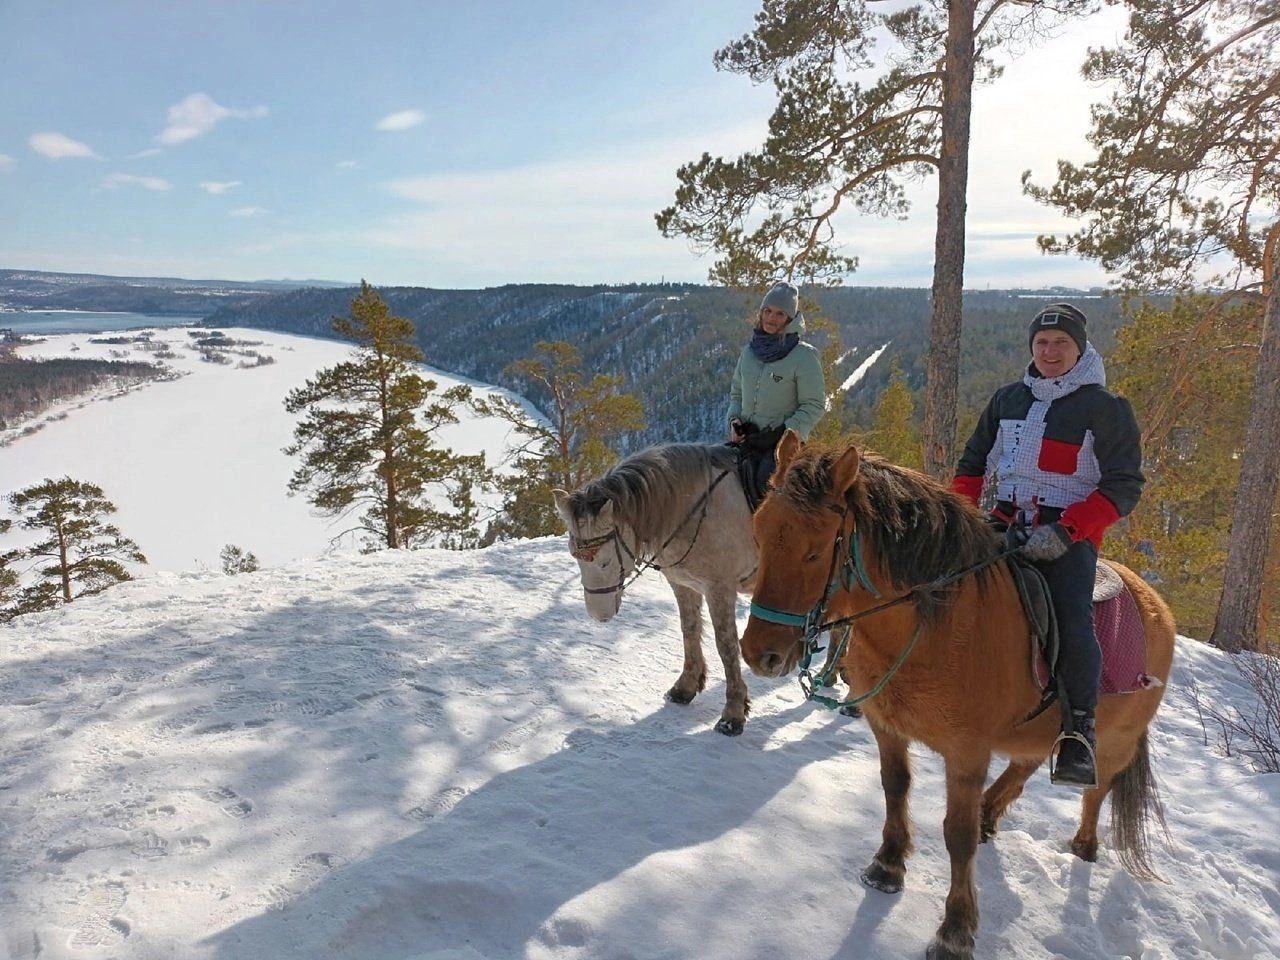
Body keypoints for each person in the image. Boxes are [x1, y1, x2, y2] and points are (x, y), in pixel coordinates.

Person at [951, 302, 1144, 787]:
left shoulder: (1105, 408)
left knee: (1072, 616)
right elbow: (973, 465)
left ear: (1080, 349)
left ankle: (1079, 732)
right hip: (1003, 521)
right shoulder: (1008, 399)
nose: (1050, 351)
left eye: (1061, 344)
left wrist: (1069, 531)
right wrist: (958, 519)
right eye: (1041, 343)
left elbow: (1124, 485)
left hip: (1067, 533)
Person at [727, 281, 827, 509]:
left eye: (780, 313)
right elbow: (736, 394)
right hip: (748, 441)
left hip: (783, 449)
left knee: (768, 497)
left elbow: (814, 405)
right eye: (767, 311)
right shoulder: (749, 353)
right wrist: (734, 421)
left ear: (790, 319)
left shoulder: (803, 356)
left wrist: (786, 435)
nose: (771, 318)